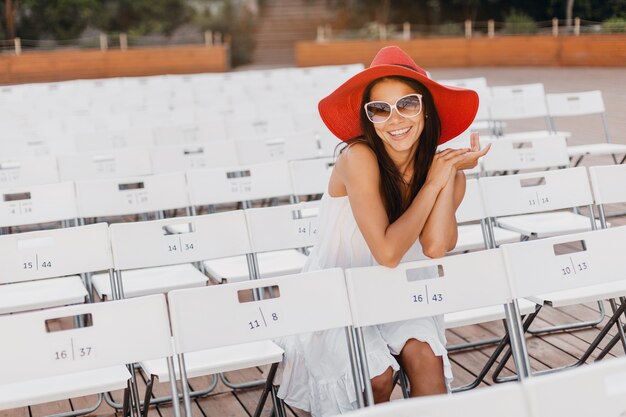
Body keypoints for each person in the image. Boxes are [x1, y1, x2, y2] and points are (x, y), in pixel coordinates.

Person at [276, 45, 490, 416]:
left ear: (426, 108)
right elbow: (387, 252)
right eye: (380, 109)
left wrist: (444, 177)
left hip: (397, 292)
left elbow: (437, 246)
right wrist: (433, 184)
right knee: (377, 375)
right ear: (369, 119)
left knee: (425, 357)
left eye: (407, 104)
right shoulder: (357, 158)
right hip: (337, 294)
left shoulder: (443, 171)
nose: (395, 119)